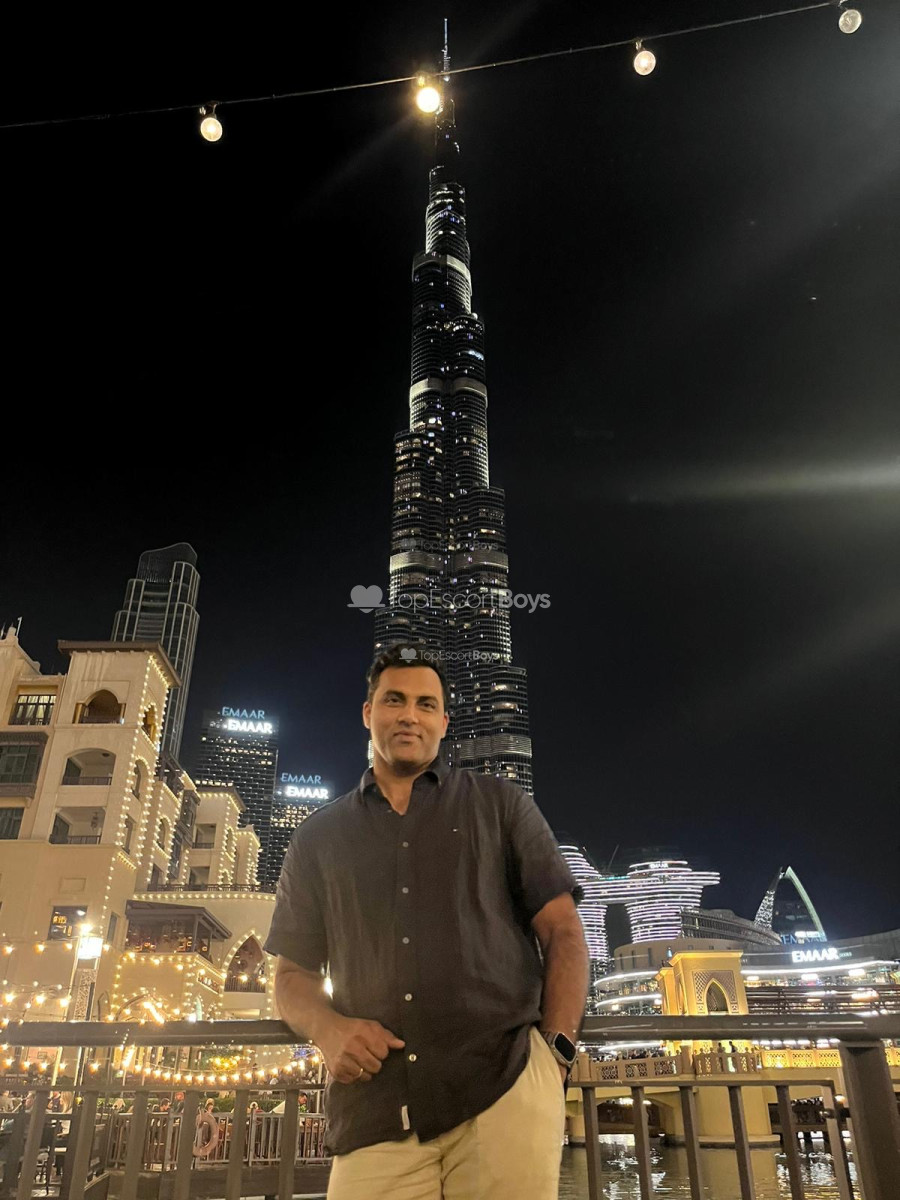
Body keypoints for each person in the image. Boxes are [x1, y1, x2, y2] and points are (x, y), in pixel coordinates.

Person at [265, 644, 590, 1199]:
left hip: (504, 1091)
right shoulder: (317, 838)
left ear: (443, 721)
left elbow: (563, 932)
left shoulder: (501, 806)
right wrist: (328, 1029)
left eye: (425, 704)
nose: (409, 716)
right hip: (375, 1108)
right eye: (394, 700)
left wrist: (554, 1057)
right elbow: (291, 975)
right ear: (368, 713)